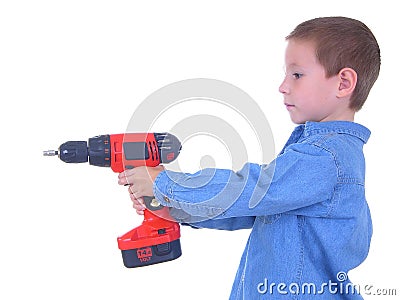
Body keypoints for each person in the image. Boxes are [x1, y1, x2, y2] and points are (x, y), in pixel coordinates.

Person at [118, 16, 381, 299]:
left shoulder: (326, 157)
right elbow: (255, 211)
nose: (283, 86)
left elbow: (250, 189)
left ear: (343, 83)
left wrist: (167, 184)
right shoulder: (316, 153)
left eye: (297, 75)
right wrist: (175, 209)